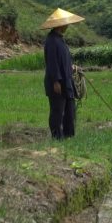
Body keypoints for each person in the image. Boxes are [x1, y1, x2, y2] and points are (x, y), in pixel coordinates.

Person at [41, 8, 85, 140]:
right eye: (66, 24)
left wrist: (71, 67)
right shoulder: (52, 41)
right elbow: (53, 63)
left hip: (67, 81)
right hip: (58, 83)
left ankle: (68, 136)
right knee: (57, 112)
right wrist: (55, 81)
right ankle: (57, 137)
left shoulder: (60, 40)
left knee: (70, 111)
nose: (67, 26)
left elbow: (62, 61)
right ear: (60, 25)